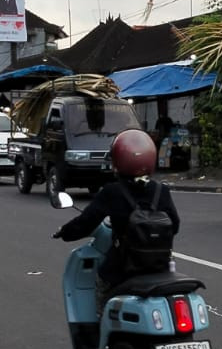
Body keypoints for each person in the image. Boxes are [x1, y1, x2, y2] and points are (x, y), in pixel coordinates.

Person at [52, 129, 180, 315]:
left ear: (118, 161)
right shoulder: (161, 191)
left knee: (102, 283)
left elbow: (86, 222)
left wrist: (65, 232)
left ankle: (103, 331)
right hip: (161, 267)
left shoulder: (112, 191)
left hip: (123, 268)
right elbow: (174, 226)